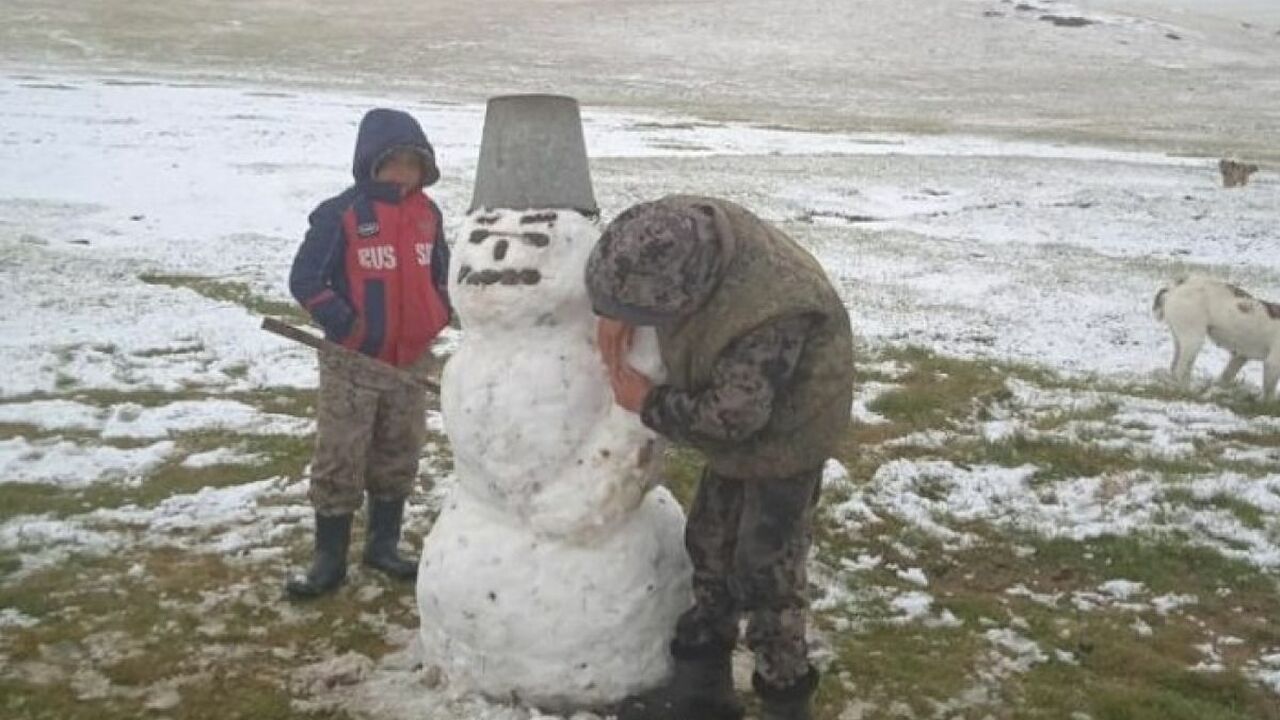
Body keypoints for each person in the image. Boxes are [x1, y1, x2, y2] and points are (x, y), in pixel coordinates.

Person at [587, 196, 853, 720]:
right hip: (739, 417)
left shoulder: (774, 311)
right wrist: (614, 310)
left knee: (765, 572)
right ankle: (701, 697)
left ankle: (784, 698)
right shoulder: (676, 229)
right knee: (709, 545)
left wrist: (648, 402)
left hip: (786, 438)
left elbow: (733, 418)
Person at [285, 108, 451, 599]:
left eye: (412, 163)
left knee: (399, 451)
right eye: (393, 162)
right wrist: (349, 328)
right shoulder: (341, 214)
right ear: (370, 164)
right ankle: (328, 561)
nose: (403, 172)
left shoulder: (428, 214)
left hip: (411, 362)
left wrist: (436, 314)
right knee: (341, 455)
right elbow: (307, 280)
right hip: (352, 364)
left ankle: (383, 547)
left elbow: (439, 274)